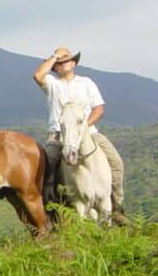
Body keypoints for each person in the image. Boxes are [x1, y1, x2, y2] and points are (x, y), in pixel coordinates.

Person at [33, 46, 126, 223]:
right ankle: (51, 209)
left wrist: (83, 127)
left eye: (66, 60)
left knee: (116, 163)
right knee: (47, 169)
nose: (62, 64)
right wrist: (54, 57)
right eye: (59, 63)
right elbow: (38, 75)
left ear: (74, 63)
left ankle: (117, 207)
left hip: (89, 133)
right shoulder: (53, 84)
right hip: (58, 135)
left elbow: (99, 109)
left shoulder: (86, 83)